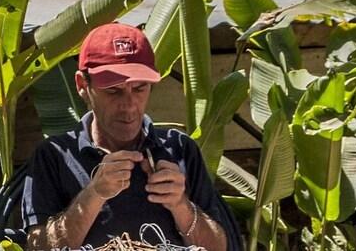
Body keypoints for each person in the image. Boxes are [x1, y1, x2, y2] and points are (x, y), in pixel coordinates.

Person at [18, 23, 241, 251]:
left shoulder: (180, 149)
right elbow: (39, 247)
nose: (129, 105)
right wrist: (93, 194)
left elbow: (219, 247)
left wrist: (180, 205)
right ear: (83, 85)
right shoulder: (55, 156)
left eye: (139, 88)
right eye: (113, 91)